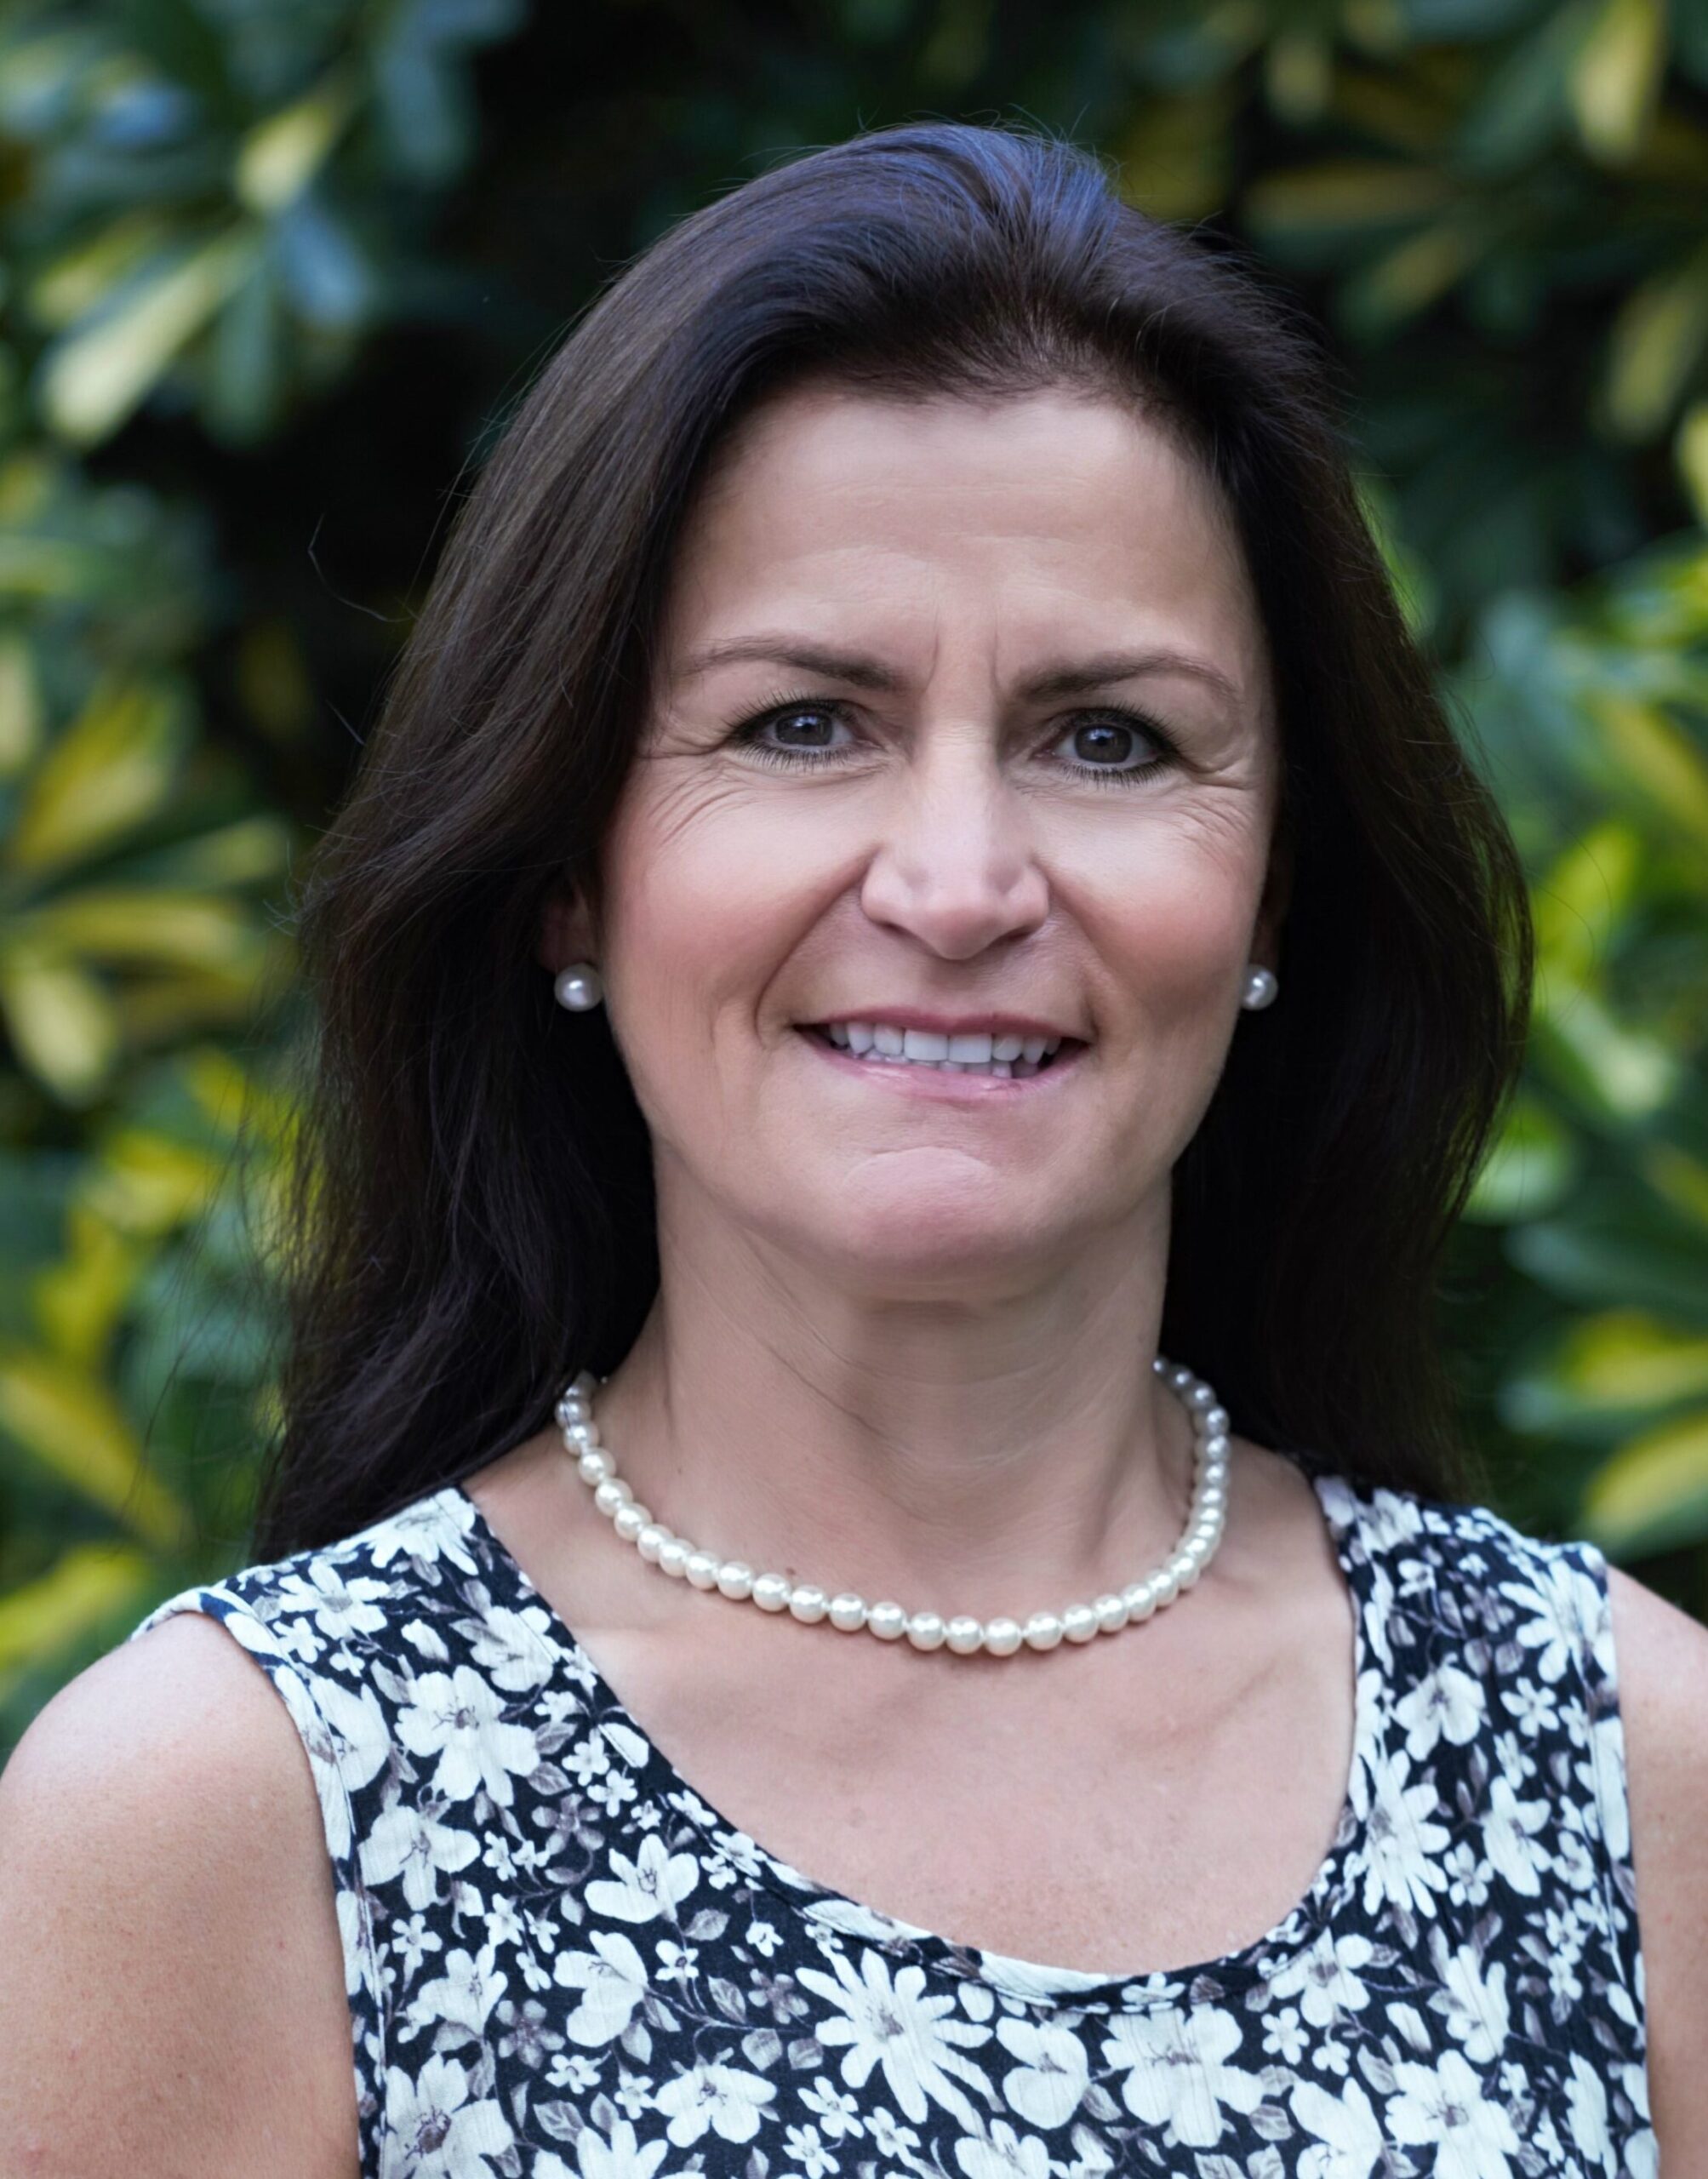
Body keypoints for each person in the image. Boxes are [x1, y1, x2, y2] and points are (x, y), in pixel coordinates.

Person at [0, 119, 1699, 2179]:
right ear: (566, 870)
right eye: (803, 720)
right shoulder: (238, 1811)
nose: (962, 877)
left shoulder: (1620, 1759)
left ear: (1271, 893)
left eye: (1110, 737)